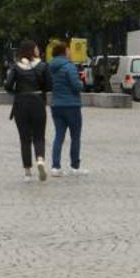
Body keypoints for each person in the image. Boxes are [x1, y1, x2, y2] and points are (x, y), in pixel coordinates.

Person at [5, 42, 51, 182]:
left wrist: (17, 93)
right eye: (36, 48)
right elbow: (50, 85)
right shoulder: (42, 66)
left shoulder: (16, 67)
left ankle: (27, 171)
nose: (38, 50)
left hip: (21, 103)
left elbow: (7, 85)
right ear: (32, 51)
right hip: (37, 101)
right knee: (39, 135)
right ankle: (40, 159)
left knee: (24, 138)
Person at [46, 42, 87, 177]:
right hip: (71, 105)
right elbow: (76, 86)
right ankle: (75, 166)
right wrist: (82, 81)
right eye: (68, 50)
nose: (70, 52)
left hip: (56, 105)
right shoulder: (69, 67)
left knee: (59, 136)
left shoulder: (50, 67)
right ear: (64, 52)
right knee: (75, 136)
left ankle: (55, 166)